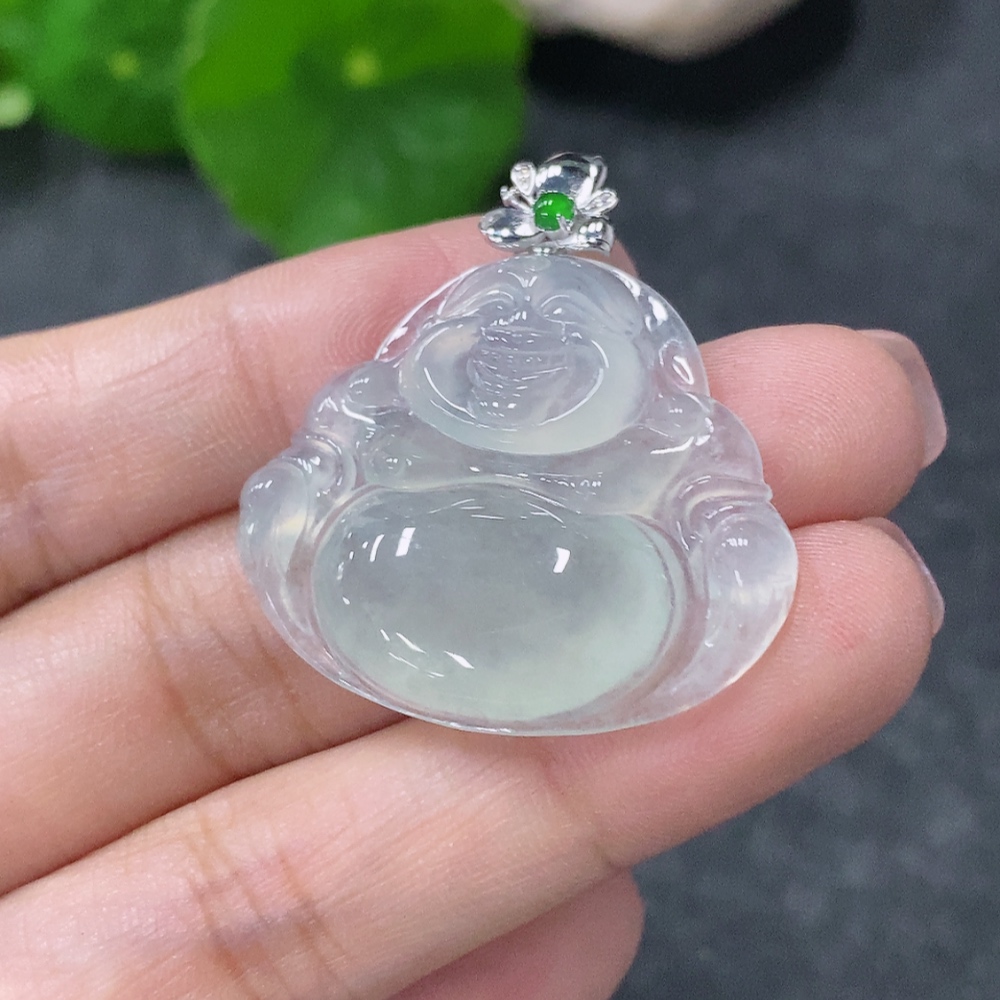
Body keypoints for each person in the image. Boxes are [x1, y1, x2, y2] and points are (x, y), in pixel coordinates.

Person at [0, 217, 945, 999]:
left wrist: (722, 540)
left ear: (633, 363)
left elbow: (723, 520)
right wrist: (307, 488)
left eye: (558, 334)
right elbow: (307, 482)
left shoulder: (663, 444)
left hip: (586, 591)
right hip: (391, 579)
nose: (512, 351)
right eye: (488, 327)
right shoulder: (380, 420)